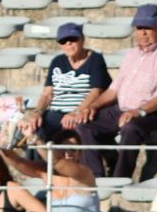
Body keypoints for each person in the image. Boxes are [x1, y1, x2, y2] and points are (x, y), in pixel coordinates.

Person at [78, 3, 157, 181]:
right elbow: (114, 90)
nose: (143, 33)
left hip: (154, 112)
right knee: (84, 123)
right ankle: (95, 175)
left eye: (148, 28)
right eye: (139, 28)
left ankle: (120, 178)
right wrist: (93, 106)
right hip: (124, 108)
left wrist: (138, 111)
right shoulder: (132, 55)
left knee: (130, 127)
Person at [19, 22, 111, 176]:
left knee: (81, 128)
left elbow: (96, 92)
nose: (68, 43)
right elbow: (48, 93)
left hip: (81, 111)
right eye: (63, 41)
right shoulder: (57, 62)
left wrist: (76, 112)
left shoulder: (95, 60)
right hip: (56, 112)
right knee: (36, 128)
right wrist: (37, 112)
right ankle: (38, 172)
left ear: (82, 39)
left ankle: (90, 174)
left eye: (72, 39)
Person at [5, 145, 105, 212]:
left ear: (79, 154)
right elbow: (18, 162)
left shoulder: (85, 173)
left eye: (72, 150)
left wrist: (37, 141)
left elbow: (58, 162)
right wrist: (2, 147)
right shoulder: (47, 173)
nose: (68, 154)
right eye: (62, 150)